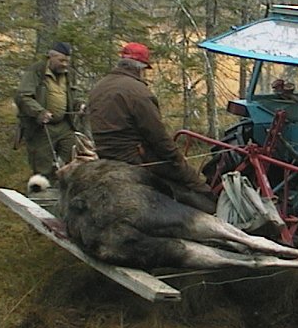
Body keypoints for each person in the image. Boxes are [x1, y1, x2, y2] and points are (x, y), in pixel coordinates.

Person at [87, 42, 215, 213]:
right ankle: (213, 211)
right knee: (189, 179)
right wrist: (178, 161)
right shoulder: (138, 92)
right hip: (134, 158)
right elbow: (157, 137)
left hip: (104, 153)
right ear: (140, 68)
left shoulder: (99, 86)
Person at [15, 42, 83, 182]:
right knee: (42, 167)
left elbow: (72, 97)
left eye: (67, 61)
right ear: (51, 57)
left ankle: (64, 194)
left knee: (72, 161)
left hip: (64, 126)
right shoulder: (36, 71)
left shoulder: (68, 74)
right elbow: (23, 96)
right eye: (61, 60)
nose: (65, 64)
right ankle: (41, 198)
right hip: (41, 127)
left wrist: (80, 105)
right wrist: (39, 112)